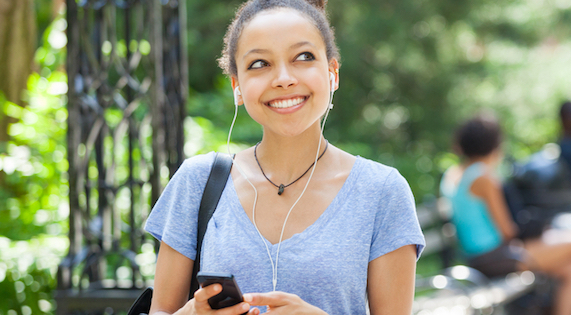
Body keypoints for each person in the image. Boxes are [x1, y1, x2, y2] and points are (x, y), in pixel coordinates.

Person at [144, 1, 425, 314]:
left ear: (332, 72)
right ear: (237, 86)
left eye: (303, 57)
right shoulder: (197, 181)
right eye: (260, 63)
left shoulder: (382, 192)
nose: (283, 78)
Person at [441, 114, 571, 315]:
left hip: (481, 257)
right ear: (494, 144)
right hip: (494, 258)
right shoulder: (484, 177)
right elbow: (507, 231)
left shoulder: (455, 173)